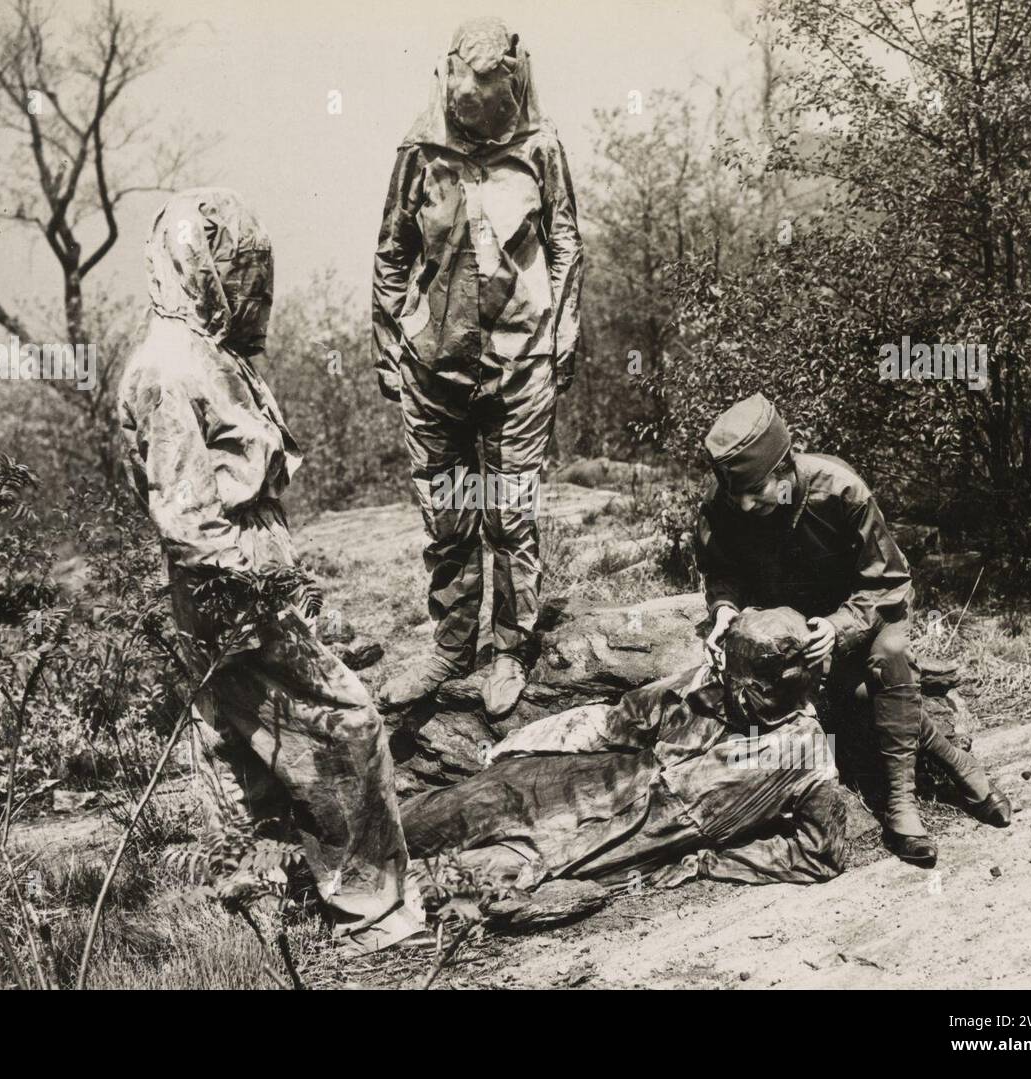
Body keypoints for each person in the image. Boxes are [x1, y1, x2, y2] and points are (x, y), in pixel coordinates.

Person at [116, 188, 425, 952]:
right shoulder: (165, 366)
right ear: (198, 266)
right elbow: (187, 518)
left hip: (246, 570)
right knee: (343, 721)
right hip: (230, 582)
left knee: (252, 743)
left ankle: (273, 910)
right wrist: (260, 599)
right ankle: (373, 912)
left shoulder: (201, 350)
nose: (251, 290)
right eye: (236, 270)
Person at [695, 393, 1011, 867]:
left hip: (863, 620)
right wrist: (723, 608)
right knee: (863, 698)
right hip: (791, 634)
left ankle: (900, 803)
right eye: (735, 493)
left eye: (755, 489)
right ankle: (950, 757)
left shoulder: (840, 490)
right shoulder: (725, 503)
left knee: (891, 656)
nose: (743, 505)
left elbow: (888, 582)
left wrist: (840, 627)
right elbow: (721, 569)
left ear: (784, 469)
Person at [372, 16, 584, 718]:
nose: (481, 112)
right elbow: (391, 253)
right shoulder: (419, 150)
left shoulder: (542, 148)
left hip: (520, 360)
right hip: (436, 365)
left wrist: (562, 337)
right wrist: (387, 349)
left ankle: (509, 648)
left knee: (511, 512)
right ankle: (452, 644)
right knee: (450, 513)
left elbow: (565, 244)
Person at [402, 608, 849, 892]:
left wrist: (708, 862)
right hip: (562, 787)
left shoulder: (802, 753)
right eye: (726, 672)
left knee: (429, 882)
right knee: (418, 819)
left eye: (741, 681)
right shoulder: (704, 685)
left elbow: (820, 854)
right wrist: (516, 747)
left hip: (592, 847)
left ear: (779, 682)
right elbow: (616, 720)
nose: (727, 683)